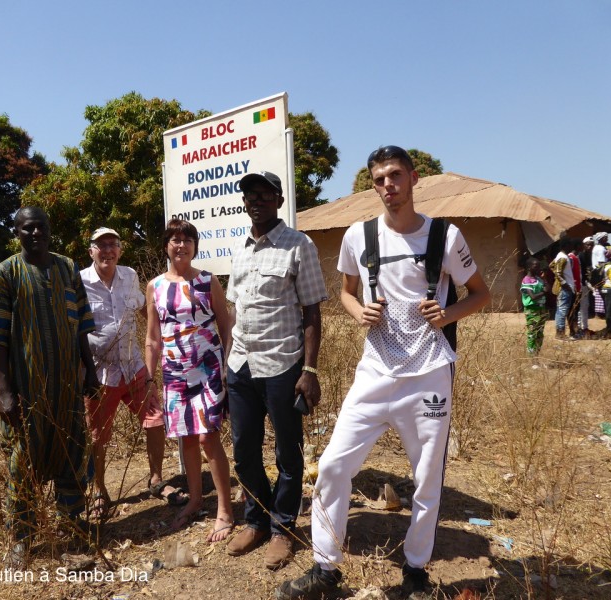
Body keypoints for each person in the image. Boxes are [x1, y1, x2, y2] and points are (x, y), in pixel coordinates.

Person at [277, 146, 490, 600]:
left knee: (428, 477)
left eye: (395, 175)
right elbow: (347, 293)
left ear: (414, 179)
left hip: (430, 372)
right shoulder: (359, 236)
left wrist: (447, 314)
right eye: (378, 179)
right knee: (333, 466)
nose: (388, 185)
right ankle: (325, 567)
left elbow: (481, 294)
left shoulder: (446, 237)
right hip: (374, 370)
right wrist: (358, 313)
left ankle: (415, 571)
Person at [0, 207, 99, 569]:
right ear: (16, 231)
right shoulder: (4, 274)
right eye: (27, 228)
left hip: (66, 386)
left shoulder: (67, 268)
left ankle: (72, 521)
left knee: (72, 448)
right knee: (23, 460)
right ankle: (23, 536)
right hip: (28, 388)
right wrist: (5, 392)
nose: (36, 233)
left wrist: (89, 372)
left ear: (50, 229)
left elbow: (80, 323)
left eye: (41, 227)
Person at [225, 171, 328, 570]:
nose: (256, 201)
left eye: (265, 195)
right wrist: (225, 366)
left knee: (288, 451)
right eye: (251, 196)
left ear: (279, 201)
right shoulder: (241, 250)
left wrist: (311, 369)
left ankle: (284, 527)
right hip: (241, 365)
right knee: (245, 450)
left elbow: (313, 311)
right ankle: (256, 519)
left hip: (283, 365)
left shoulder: (298, 245)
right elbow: (236, 312)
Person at [80, 226, 188, 522]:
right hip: (99, 374)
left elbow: (144, 309)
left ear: (120, 250)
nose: (107, 251)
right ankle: (100, 491)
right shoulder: (79, 281)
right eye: (101, 245)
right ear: (90, 250)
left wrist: (165, 333)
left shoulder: (129, 276)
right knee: (97, 436)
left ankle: (155, 480)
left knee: (155, 421)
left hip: (134, 366)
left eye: (113, 244)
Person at [144, 219, 235, 542]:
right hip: (174, 374)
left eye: (186, 240)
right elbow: (153, 338)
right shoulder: (155, 286)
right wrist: (148, 378)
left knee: (208, 438)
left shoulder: (208, 282)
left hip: (208, 369)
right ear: (166, 246)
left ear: (195, 246)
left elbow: (225, 325)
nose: (180, 245)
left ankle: (224, 509)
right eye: (174, 240)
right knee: (185, 440)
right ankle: (196, 501)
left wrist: (225, 366)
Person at [521, 257, 550, 358]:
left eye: (539, 265)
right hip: (532, 310)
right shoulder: (526, 280)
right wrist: (544, 292)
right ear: (529, 267)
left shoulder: (538, 279)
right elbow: (533, 297)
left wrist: (544, 279)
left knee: (540, 334)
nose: (538, 267)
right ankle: (531, 358)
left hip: (541, 309)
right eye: (535, 266)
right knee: (532, 333)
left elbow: (547, 288)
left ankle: (536, 356)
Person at [549, 237, 577, 340]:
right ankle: (560, 333)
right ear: (566, 246)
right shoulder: (563, 257)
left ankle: (559, 332)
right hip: (565, 288)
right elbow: (557, 272)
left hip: (565, 287)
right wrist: (565, 283)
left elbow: (551, 266)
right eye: (570, 246)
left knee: (560, 310)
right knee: (562, 310)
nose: (571, 247)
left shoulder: (561, 256)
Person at [577, 236, 595, 336]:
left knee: (585, 305)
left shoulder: (590, 256)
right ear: (584, 245)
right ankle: (581, 328)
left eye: (591, 245)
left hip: (586, 283)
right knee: (582, 306)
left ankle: (584, 327)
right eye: (588, 244)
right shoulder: (581, 256)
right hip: (582, 283)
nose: (590, 246)